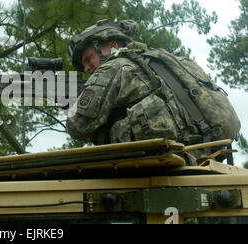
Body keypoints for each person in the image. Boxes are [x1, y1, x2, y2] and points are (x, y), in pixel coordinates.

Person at [66, 19, 240, 162]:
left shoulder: (114, 66)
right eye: (85, 65)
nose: (87, 68)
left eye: (89, 59)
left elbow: (77, 126)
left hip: (165, 166)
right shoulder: (166, 61)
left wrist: (71, 102)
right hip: (205, 156)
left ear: (112, 45)